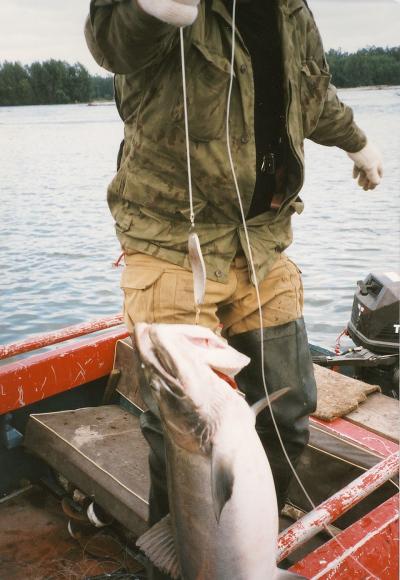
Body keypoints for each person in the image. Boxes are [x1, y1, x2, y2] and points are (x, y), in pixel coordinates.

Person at [85, 0, 383, 577]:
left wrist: (356, 142)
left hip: (262, 240)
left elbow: (313, 94)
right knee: (180, 428)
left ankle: (251, 546)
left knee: (289, 405)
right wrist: (147, 10)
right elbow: (112, 43)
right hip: (172, 239)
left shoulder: (289, 9)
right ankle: (182, 565)